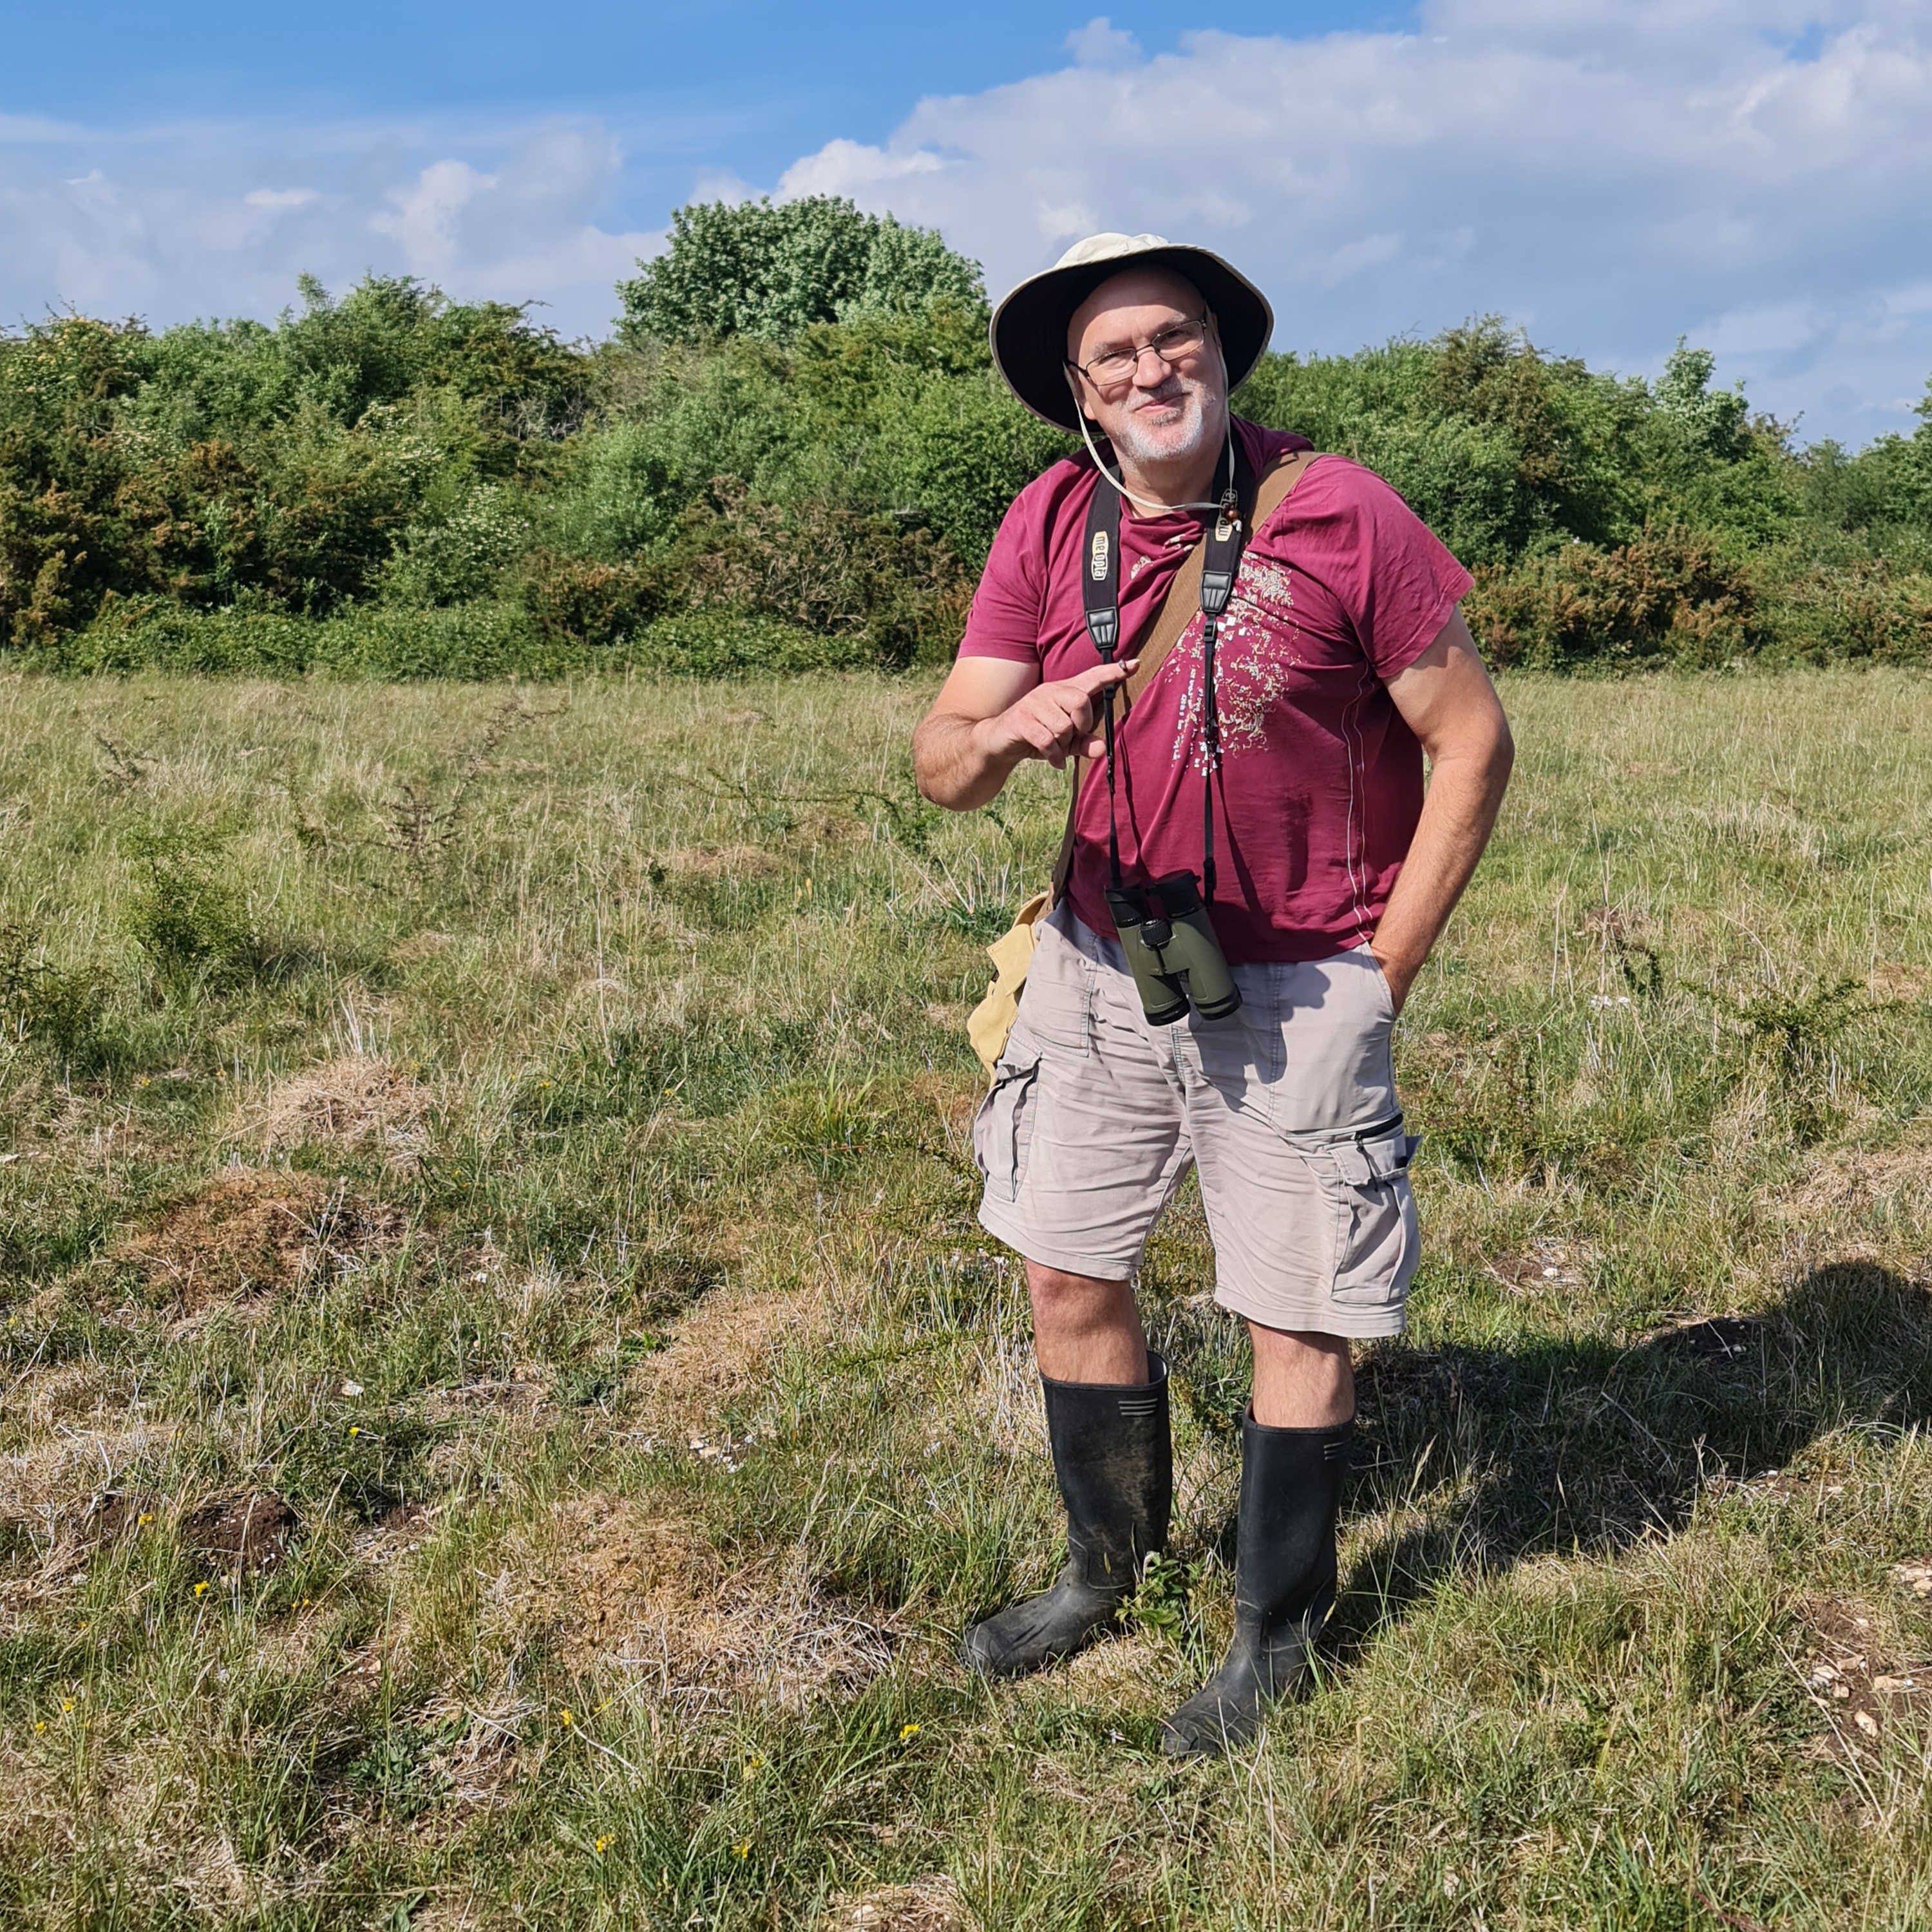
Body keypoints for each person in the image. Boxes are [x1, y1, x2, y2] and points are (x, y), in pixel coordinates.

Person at [910, 233, 1515, 1757]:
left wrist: (1384, 973)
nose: (1148, 372)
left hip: (1304, 983)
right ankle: (1098, 1573)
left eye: (1172, 339)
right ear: (1078, 393)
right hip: (1099, 964)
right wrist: (1008, 733)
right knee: (1065, 1267)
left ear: (1223, 349)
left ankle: (1277, 1633)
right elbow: (942, 764)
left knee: (1298, 1308)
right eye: (1112, 357)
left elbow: (1473, 742)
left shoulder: (1340, 511)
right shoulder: (1050, 521)